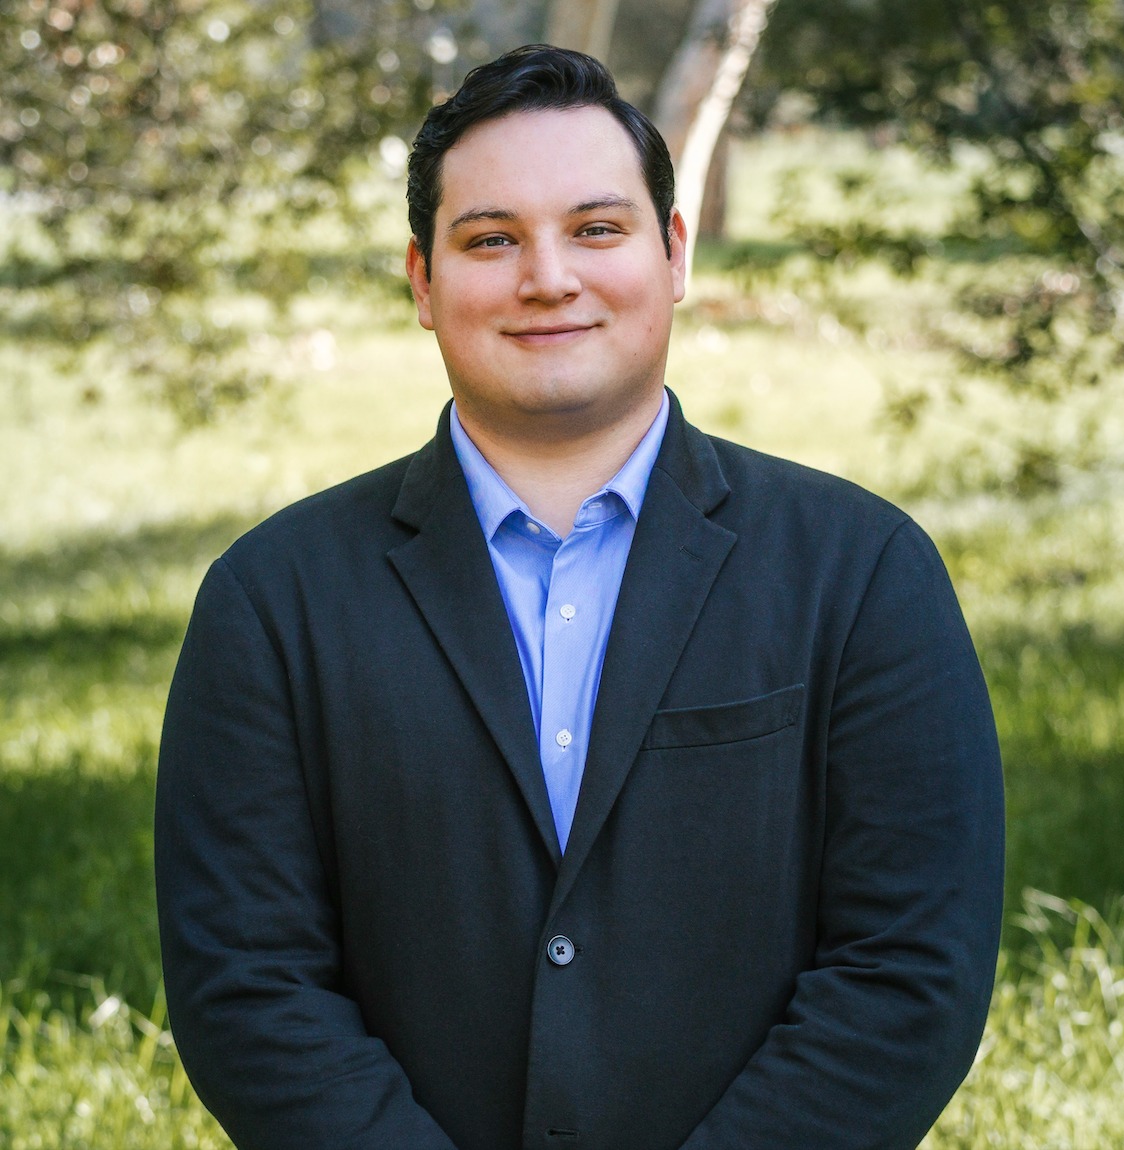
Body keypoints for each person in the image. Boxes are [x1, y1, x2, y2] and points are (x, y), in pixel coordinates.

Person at [155, 45, 1004, 1150]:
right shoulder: (271, 602)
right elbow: (248, 985)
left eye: (596, 229)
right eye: (490, 239)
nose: (546, 276)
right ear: (421, 281)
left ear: (674, 252)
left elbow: (908, 970)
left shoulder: (863, 570)